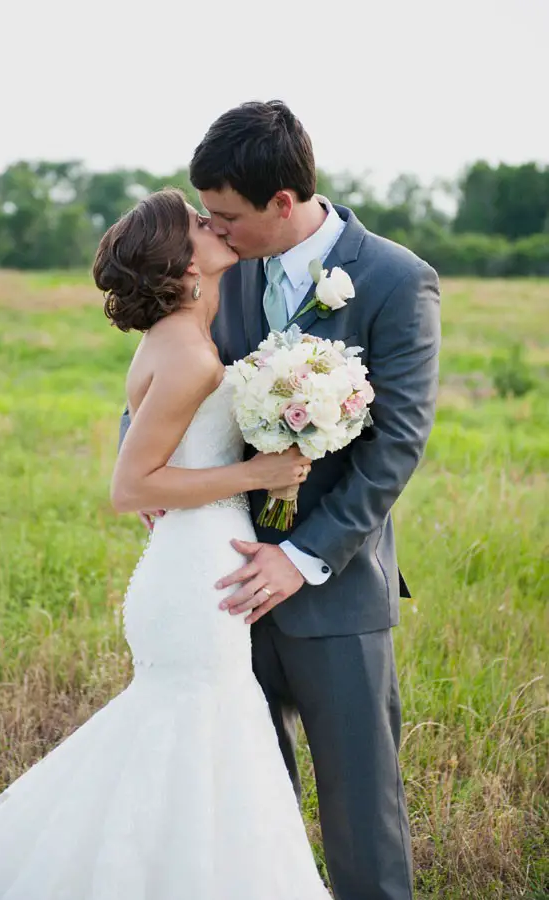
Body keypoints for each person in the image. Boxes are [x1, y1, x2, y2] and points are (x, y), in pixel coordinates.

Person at [0, 188, 330, 899]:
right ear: (182, 265)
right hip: (198, 574)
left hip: (196, 561)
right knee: (198, 738)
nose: (215, 224)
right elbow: (131, 487)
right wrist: (259, 471)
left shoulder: (178, 339)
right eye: (200, 223)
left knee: (192, 750)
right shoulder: (191, 357)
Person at [178, 99, 439, 900]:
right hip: (225, 575)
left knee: (364, 821)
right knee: (251, 804)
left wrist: (301, 555)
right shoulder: (228, 268)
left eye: (226, 217)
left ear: (282, 204)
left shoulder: (397, 279)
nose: (213, 232)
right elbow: (178, 368)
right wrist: (152, 463)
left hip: (335, 590)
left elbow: (396, 443)